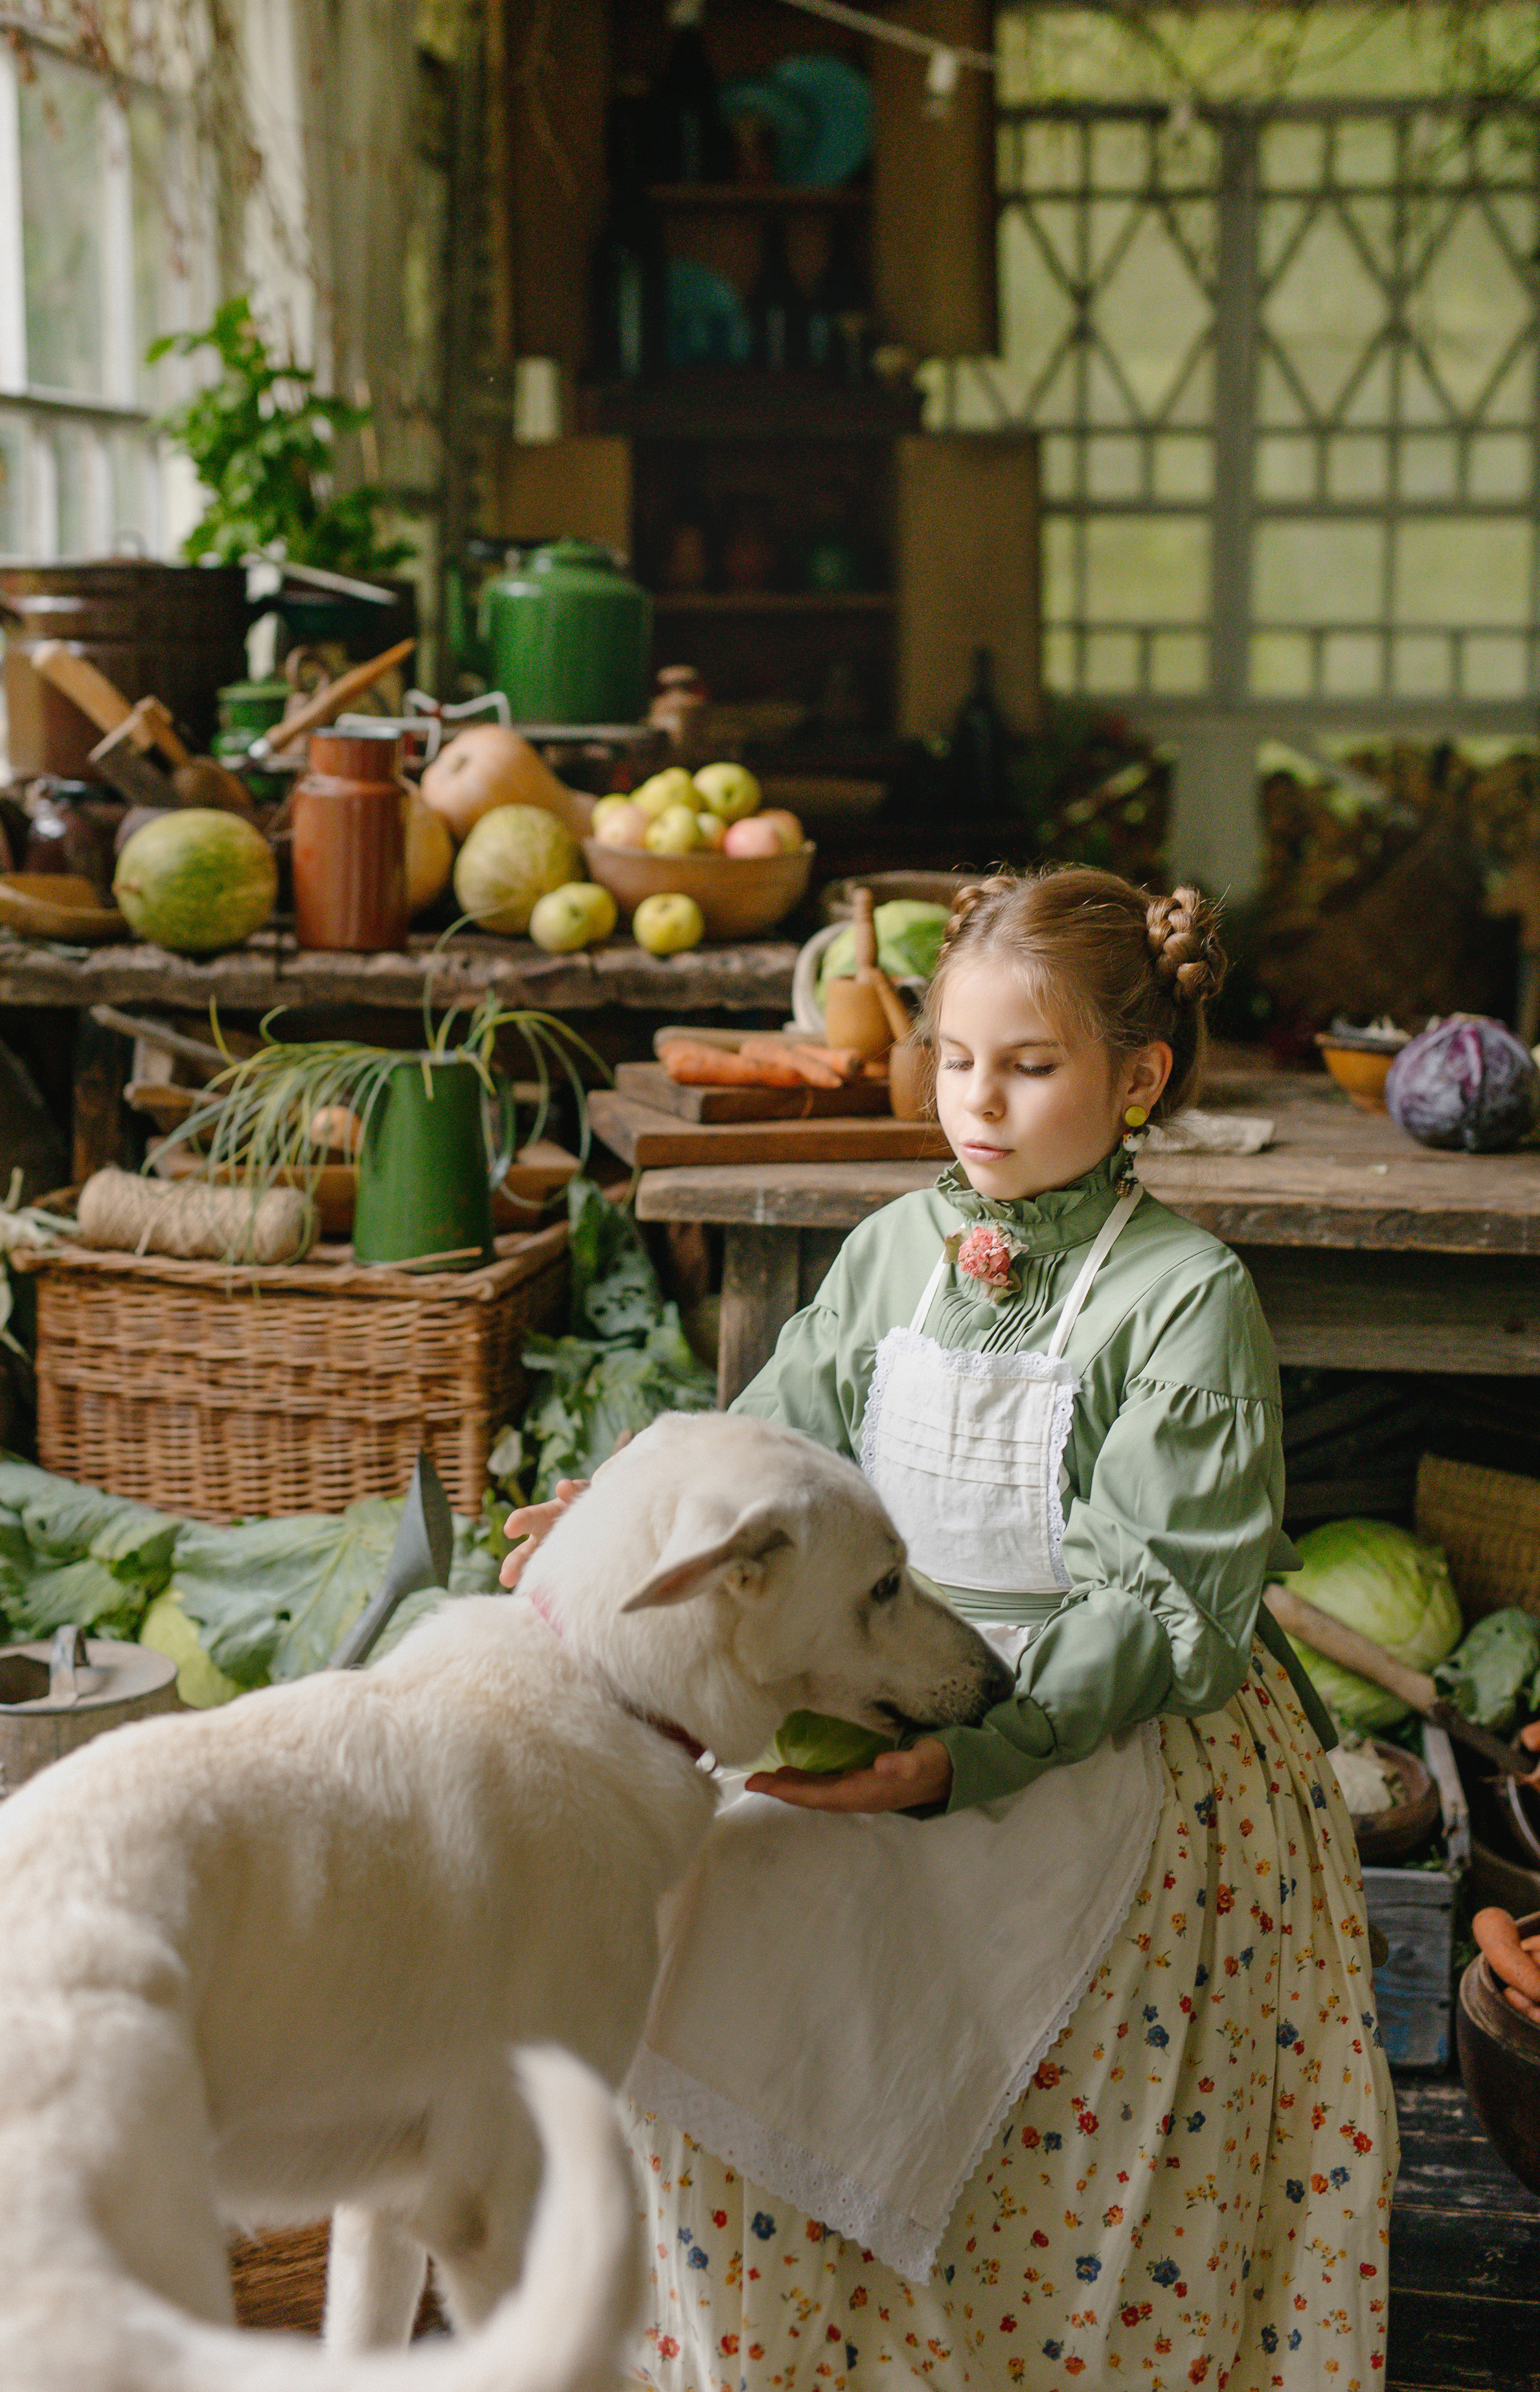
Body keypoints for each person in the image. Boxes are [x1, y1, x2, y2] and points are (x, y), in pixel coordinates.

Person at [504, 867, 1397, 2391]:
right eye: (956, 1060)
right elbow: (771, 1450)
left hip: (1097, 1726)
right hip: (882, 1669)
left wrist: (965, 1756)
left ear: (1138, 1082)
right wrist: (638, 1515)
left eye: (1030, 1067)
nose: (977, 1103)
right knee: (696, 1930)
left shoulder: (1185, 1302)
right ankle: (779, 2347)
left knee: (948, 2034)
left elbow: (1156, 1605)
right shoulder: (894, 1249)